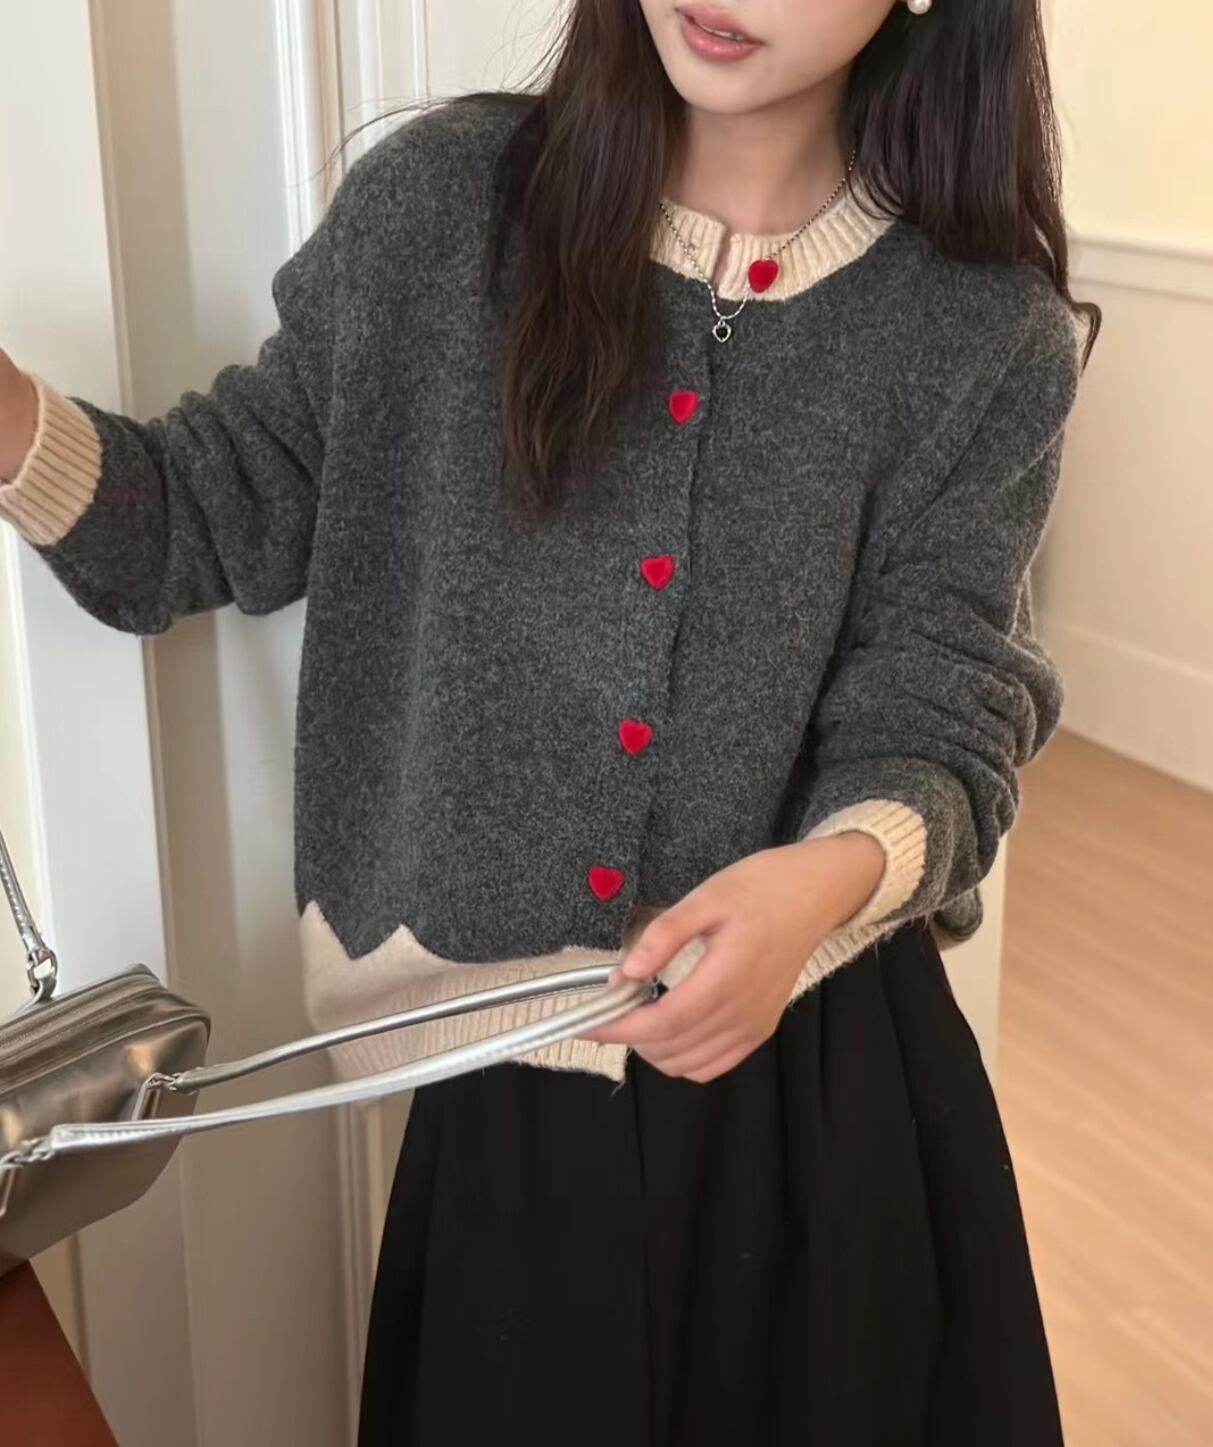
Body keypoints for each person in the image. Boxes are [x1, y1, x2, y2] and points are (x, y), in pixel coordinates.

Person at [0, 0, 1099, 1441]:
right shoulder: (442, 212)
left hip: (826, 1094)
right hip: (505, 1094)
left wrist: (822, 884)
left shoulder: (982, 331)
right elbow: (202, 517)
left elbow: (944, 698)